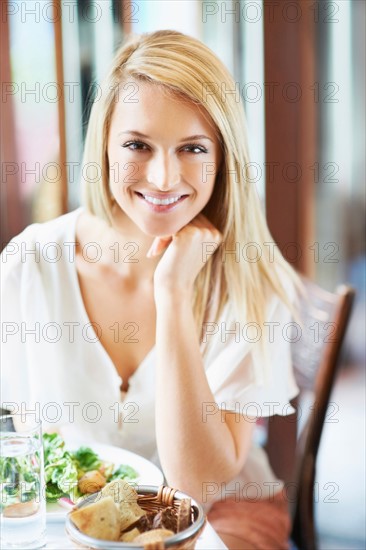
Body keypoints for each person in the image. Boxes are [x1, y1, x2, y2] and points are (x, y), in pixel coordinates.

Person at [1, 30, 301, 549]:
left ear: (222, 157)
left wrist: (174, 296)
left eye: (192, 148)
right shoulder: (31, 263)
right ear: (104, 148)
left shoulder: (246, 278)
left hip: (225, 510)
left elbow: (196, 485)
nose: (164, 178)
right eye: (138, 144)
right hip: (81, 517)